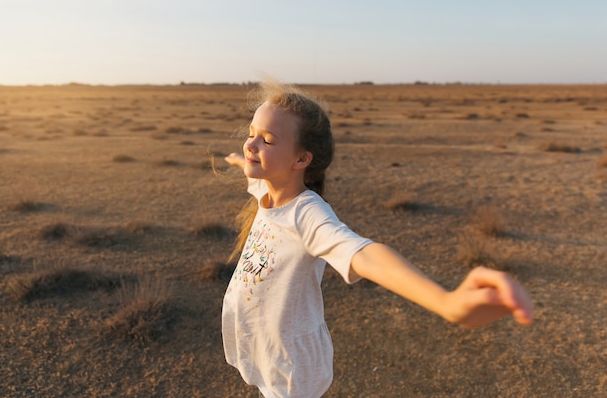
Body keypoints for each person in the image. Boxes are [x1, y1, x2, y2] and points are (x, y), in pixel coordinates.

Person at [221, 81, 533, 398]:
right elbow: (250, 171)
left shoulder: (307, 215)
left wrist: (446, 302)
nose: (251, 144)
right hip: (264, 346)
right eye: (251, 134)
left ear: (301, 160)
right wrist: (239, 159)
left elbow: (364, 254)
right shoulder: (266, 190)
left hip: (290, 366)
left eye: (268, 140)